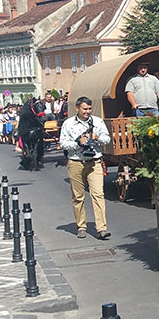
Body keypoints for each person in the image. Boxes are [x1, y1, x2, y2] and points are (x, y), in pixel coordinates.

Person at [59, 96, 111, 240]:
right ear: (77, 108)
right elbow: (63, 143)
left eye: (89, 108)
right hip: (76, 162)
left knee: (98, 194)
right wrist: (78, 142)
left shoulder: (97, 122)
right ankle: (81, 227)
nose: (87, 111)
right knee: (78, 196)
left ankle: (101, 228)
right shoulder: (69, 124)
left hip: (94, 162)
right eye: (84, 109)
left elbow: (107, 139)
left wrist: (96, 137)